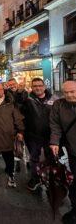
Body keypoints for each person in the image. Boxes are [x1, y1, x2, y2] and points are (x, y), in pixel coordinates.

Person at [23, 77, 58, 191]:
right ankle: (36, 178)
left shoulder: (54, 99)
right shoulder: (28, 100)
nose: (37, 88)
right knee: (34, 158)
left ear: (44, 86)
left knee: (51, 158)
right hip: (33, 135)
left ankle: (51, 178)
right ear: (32, 88)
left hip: (50, 136)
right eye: (35, 86)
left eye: (40, 85)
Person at [49, 80, 76, 224]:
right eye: (66, 92)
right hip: (73, 151)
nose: (69, 95)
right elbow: (55, 125)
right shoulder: (58, 105)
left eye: (72, 92)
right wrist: (54, 142)